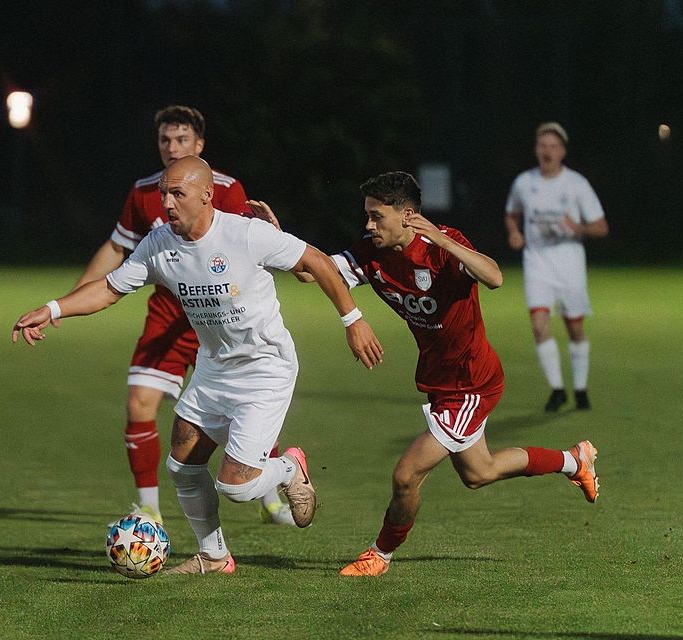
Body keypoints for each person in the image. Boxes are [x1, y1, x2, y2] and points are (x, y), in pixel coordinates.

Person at [13, 156, 384, 574]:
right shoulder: (159, 244)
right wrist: (53, 308)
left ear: (207, 195)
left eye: (177, 194)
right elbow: (110, 289)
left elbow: (315, 261)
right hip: (214, 368)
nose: (166, 203)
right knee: (183, 465)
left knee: (236, 486)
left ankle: (287, 467)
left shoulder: (246, 234)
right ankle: (214, 556)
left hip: (265, 368)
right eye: (163, 194)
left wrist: (353, 321)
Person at [252, 171, 599, 578]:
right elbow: (314, 272)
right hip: (439, 380)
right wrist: (279, 240)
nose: (368, 225)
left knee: (406, 473)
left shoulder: (441, 248)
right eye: (367, 216)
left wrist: (441, 239)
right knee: (478, 472)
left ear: (408, 216)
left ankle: (379, 555)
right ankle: (574, 461)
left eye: (377, 217)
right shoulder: (372, 253)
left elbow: (495, 277)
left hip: (471, 382)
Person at [60, 105, 294, 525]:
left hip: (222, 322)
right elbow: (116, 249)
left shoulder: (224, 188)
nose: (172, 147)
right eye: (166, 140)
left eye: (182, 139)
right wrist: (71, 300)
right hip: (167, 316)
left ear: (199, 145)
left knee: (245, 403)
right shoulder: (144, 190)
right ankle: (149, 509)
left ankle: (270, 494)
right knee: (138, 404)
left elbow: (248, 248)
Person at [504, 122, 609, 411]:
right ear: (536, 150)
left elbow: (601, 227)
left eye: (553, 146)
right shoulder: (524, 182)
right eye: (543, 146)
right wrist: (514, 232)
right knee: (538, 325)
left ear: (562, 151)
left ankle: (581, 388)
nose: (547, 151)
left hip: (570, 264)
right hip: (537, 264)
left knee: (574, 328)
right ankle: (557, 389)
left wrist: (578, 227)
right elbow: (512, 213)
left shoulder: (576, 184)